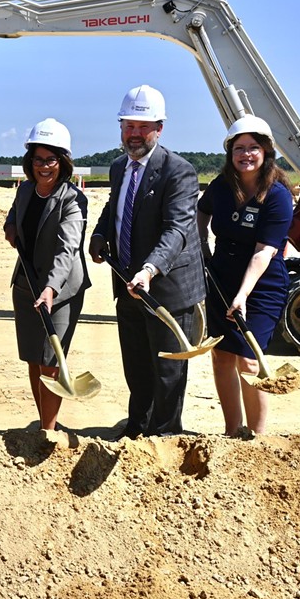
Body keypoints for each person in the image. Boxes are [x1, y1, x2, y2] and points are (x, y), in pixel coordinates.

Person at [89, 84, 204, 437]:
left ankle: (166, 436)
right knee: (137, 366)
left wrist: (150, 269)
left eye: (143, 127)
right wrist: (99, 233)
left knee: (168, 369)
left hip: (166, 289)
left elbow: (177, 229)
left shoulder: (178, 171)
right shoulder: (118, 167)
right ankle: (137, 428)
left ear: (159, 128)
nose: (134, 134)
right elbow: (116, 208)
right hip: (127, 284)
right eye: (128, 126)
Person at [196, 115, 294, 438]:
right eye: (239, 148)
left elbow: (265, 252)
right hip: (222, 275)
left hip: (262, 283)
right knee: (222, 355)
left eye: (253, 147)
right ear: (230, 153)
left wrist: (243, 295)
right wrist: (201, 246)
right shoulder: (221, 187)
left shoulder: (278, 195)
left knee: (250, 361)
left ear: (266, 152)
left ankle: (257, 437)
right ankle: (232, 431)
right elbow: (202, 210)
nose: (246, 154)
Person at [3, 118, 91, 434]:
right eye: (38, 160)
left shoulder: (73, 199)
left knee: (50, 361)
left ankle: (48, 432)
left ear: (62, 162)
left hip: (62, 291)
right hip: (26, 284)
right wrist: (10, 228)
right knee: (32, 358)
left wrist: (52, 288)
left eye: (51, 160)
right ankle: (45, 423)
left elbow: (68, 248)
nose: (44, 166)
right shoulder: (25, 190)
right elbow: (14, 217)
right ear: (30, 162)